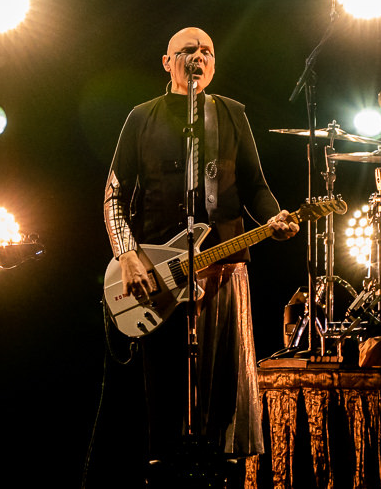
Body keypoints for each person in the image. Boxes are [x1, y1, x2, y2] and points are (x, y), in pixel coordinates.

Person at [103, 27, 298, 483]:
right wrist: (128, 254)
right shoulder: (141, 117)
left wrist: (276, 217)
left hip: (225, 268)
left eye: (207, 50)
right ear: (167, 62)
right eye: (188, 50)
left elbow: (256, 186)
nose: (199, 56)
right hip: (156, 271)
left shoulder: (230, 114)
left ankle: (223, 469)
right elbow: (114, 195)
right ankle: (163, 466)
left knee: (223, 381)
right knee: (165, 382)